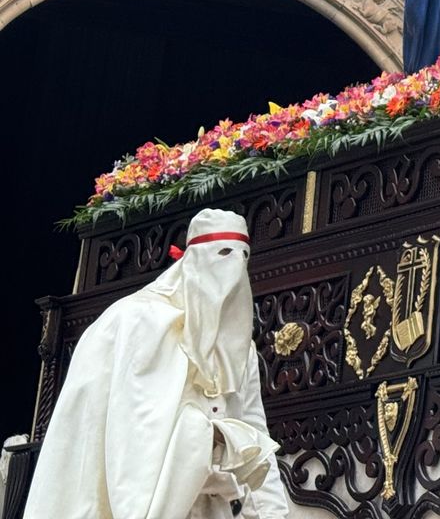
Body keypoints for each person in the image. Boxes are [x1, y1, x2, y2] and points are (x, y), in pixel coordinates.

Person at [24, 209, 290, 519]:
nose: (232, 268)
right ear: (191, 258)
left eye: (243, 257)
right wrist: (206, 437)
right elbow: (124, 433)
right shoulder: (135, 320)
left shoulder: (239, 348)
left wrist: (274, 514)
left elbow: (254, 433)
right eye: (223, 253)